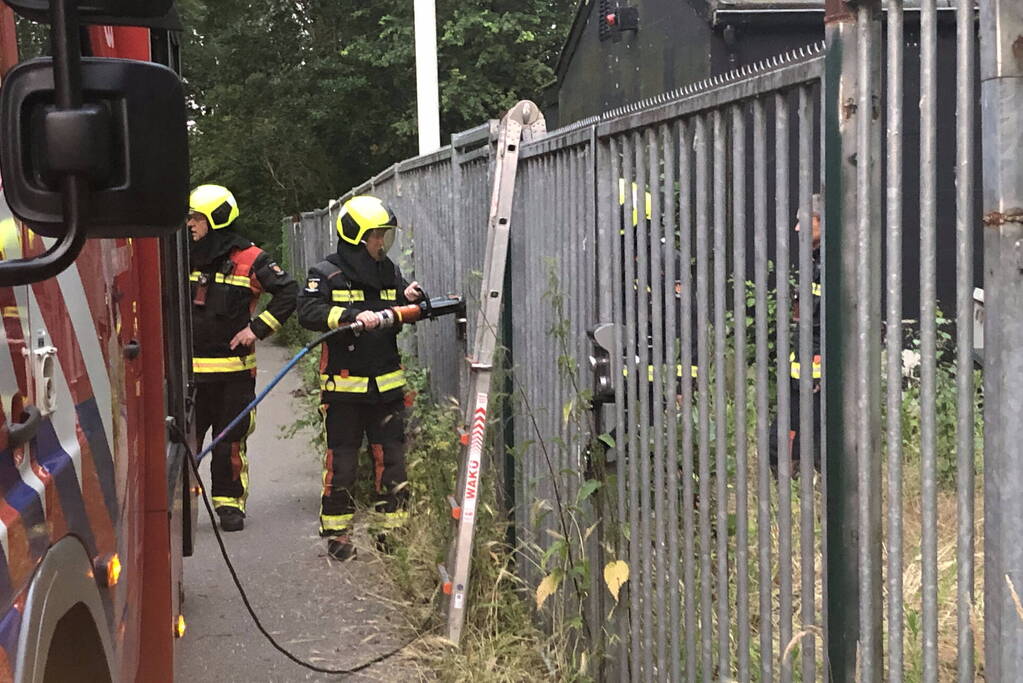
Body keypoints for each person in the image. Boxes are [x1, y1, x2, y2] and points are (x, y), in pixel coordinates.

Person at [296, 195, 424, 561]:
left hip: (387, 389)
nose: (382, 243)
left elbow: (400, 299)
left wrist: (411, 295)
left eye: (384, 236)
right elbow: (309, 312)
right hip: (344, 393)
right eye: (376, 236)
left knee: (393, 463)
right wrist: (350, 316)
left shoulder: (388, 271)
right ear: (356, 238)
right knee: (344, 466)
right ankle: (338, 537)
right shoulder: (325, 273)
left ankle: (391, 535)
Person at [188, 184, 298, 531]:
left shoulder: (251, 259)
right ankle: (179, 511)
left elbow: (288, 293)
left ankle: (229, 504)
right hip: (187, 374)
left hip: (233, 374)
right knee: (184, 446)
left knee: (228, 443)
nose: (189, 223)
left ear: (215, 219)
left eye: (196, 217)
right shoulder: (180, 254)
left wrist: (257, 329)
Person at [769, 195, 822, 475]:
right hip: (802, 362)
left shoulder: (832, 266)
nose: (797, 229)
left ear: (821, 223)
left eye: (803, 222)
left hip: (815, 367)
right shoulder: (813, 263)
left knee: (812, 433)